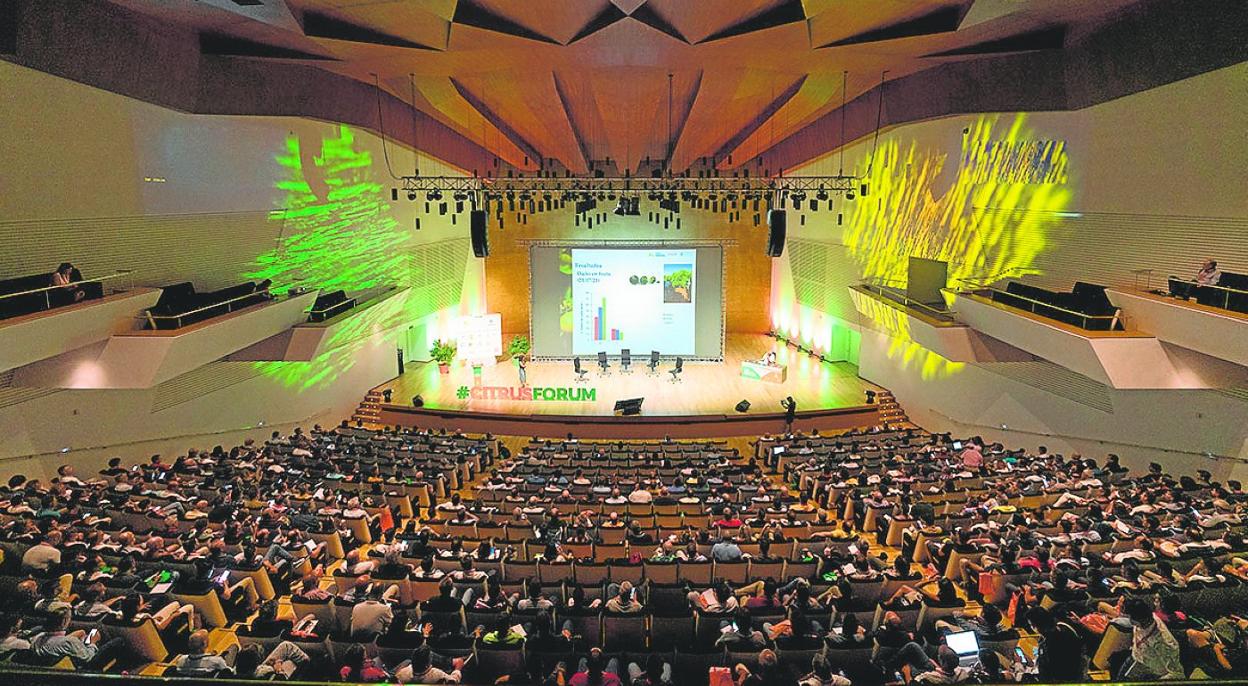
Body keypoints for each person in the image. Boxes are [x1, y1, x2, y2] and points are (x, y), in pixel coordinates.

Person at [31, 609, 128, 671]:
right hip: (83, 669)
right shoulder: (69, 642)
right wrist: (92, 643)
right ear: (64, 622)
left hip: (56, 665)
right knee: (118, 641)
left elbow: (58, 642)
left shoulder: (38, 637)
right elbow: (89, 657)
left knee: (89, 632)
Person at [1120, 598, 1184, 680]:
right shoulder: (1144, 616)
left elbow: (1177, 674)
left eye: (1129, 617)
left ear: (1138, 620)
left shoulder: (1163, 642)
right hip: (1135, 659)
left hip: (1151, 672)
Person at [171, 629, 238, 675]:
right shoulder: (216, 661)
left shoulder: (181, 660)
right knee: (233, 648)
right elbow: (229, 672)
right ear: (205, 644)